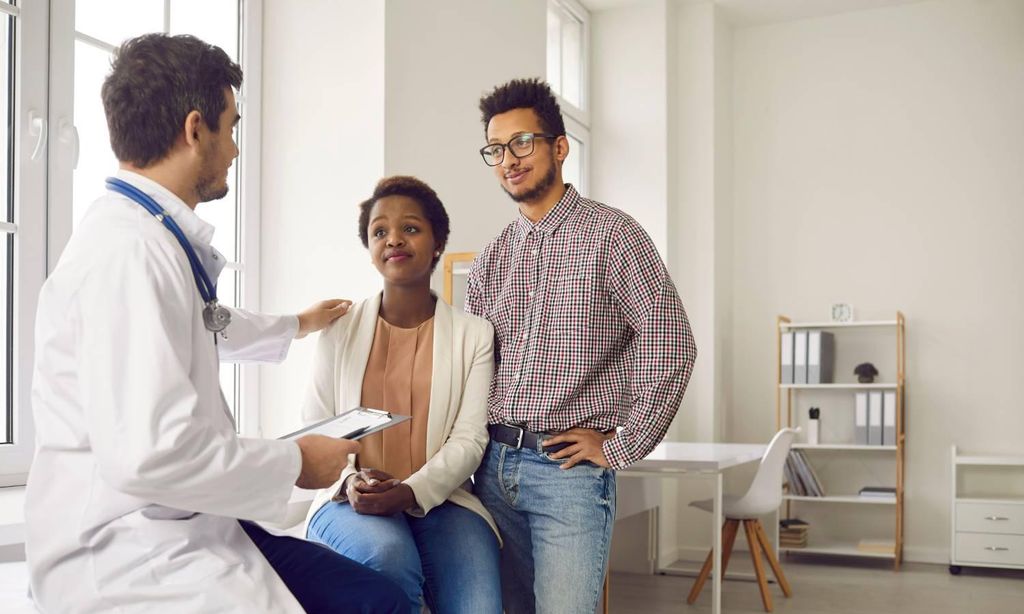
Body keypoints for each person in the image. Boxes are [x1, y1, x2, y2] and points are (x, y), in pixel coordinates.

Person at [25, 34, 404, 614]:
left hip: (188, 518)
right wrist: (299, 462)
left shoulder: (149, 237)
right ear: (194, 128)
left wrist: (297, 324)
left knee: (377, 599)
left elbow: (205, 324)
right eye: (231, 127)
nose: (232, 149)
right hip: (129, 548)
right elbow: (152, 456)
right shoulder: (129, 256)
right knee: (374, 602)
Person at [466, 78, 698, 614]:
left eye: (522, 142)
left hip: (566, 474)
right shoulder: (492, 257)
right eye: (496, 149)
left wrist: (618, 446)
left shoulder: (614, 235)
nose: (509, 160)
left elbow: (672, 343)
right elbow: (473, 370)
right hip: (492, 470)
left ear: (559, 147)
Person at [303, 176, 502, 614]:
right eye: (380, 231)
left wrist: (410, 492)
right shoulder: (339, 330)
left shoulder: (475, 335)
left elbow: (470, 439)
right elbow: (316, 431)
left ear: (437, 243)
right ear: (371, 248)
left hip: (442, 499)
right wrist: (350, 481)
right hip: (347, 498)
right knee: (390, 560)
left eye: (410, 228)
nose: (394, 238)